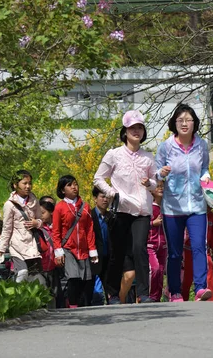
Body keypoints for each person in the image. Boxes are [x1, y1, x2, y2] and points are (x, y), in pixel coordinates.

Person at [94, 110, 158, 304]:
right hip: (120, 210)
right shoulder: (114, 154)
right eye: (132, 128)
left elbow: (156, 182)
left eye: (140, 127)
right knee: (118, 251)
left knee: (140, 249)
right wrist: (112, 193)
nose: (136, 131)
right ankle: (112, 293)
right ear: (125, 131)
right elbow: (98, 178)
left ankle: (144, 294)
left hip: (141, 211)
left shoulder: (148, 157)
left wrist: (150, 184)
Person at [155, 103, 212, 302]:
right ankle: (175, 291)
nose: (185, 123)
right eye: (180, 120)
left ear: (195, 123)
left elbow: (204, 168)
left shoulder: (202, 145)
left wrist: (206, 178)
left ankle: (200, 288)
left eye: (188, 120)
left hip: (197, 206)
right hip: (173, 207)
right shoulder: (166, 147)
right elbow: (155, 174)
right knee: (175, 252)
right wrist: (160, 173)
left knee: (198, 246)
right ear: (174, 123)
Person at [53, 175, 99, 308]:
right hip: (68, 248)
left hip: (84, 249)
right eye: (69, 185)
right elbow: (56, 231)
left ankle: (81, 304)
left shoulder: (85, 206)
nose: (74, 187)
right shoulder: (60, 207)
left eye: (75, 184)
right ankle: (72, 304)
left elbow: (89, 229)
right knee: (73, 277)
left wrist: (92, 249)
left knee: (84, 279)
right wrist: (58, 251)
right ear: (62, 190)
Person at [0, 170, 45, 285]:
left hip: (32, 245)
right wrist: (1, 249)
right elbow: (7, 228)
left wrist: (36, 223)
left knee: (36, 278)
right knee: (22, 273)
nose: (28, 186)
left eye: (30, 183)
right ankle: (16, 297)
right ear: (15, 184)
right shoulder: (9, 205)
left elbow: (41, 220)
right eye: (24, 183)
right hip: (17, 246)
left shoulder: (34, 201)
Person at [181, 207, 213, 301]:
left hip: (205, 250)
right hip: (188, 250)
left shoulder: (211, 216)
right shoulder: (190, 213)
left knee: (209, 274)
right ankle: (182, 298)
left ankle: (209, 299)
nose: (209, 207)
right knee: (186, 278)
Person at [90, 186, 114, 304]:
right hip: (94, 257)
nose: (105, 200)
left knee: (110, 288)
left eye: (107, 197)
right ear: (95, 198)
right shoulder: (89, 216)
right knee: (96, 292)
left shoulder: (112, 217)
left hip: (109, 257)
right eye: (102, 197)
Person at [148, 181, 167, 302]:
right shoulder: (149, 207)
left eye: (162, 186)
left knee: (160, 272)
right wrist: (153, 223)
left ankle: (157, 298)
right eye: (158, 186)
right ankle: (149, 296)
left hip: (163, 246)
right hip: (151, 244)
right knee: (154, 269)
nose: (160, 188)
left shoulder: (166, 208)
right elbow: (142, 225)